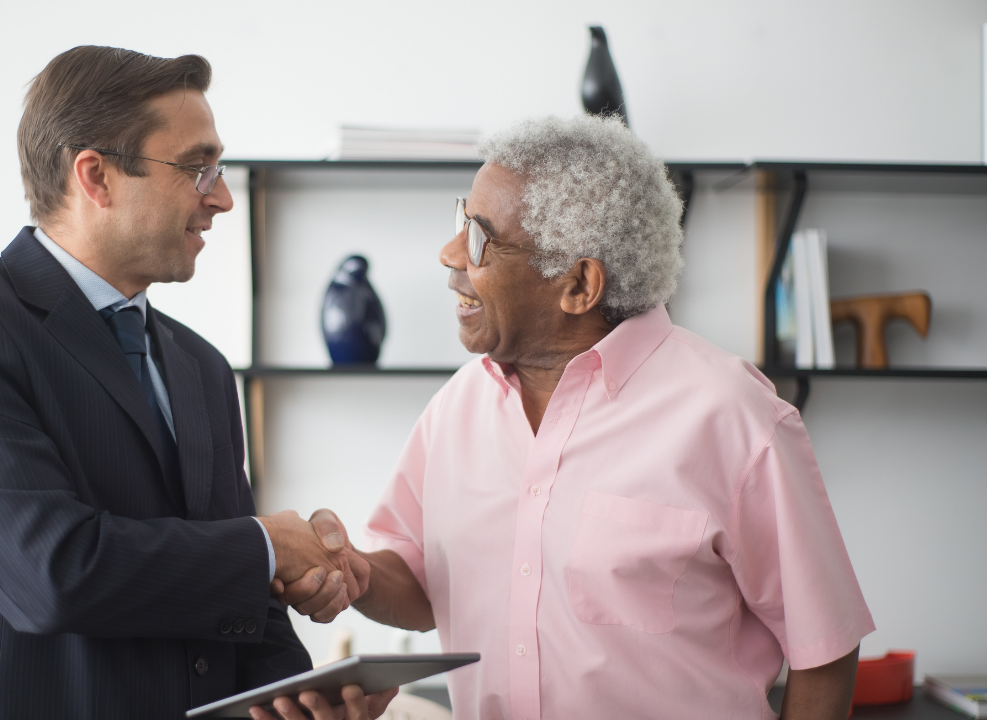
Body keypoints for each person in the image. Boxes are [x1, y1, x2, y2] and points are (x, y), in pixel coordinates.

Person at [295, 115, 875, 720]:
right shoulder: (456, 408)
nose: (448, 255)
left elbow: (825, 650)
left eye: (479, 239)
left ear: (578, 284)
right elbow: (419, 585)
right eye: (460, 222)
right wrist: (354, 573)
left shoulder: (735, 416)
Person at [0, 46, 390, 720]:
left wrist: (304, 693)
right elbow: (52, 571)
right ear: (96, 176)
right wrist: (267, 545)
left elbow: (242, 604)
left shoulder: (202, 366)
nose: (223, 197)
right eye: (197, 167)